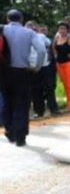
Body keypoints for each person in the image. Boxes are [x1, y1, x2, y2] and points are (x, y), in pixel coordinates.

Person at [2, 9, 46, 146]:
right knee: (21, 104)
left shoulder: (1, 30)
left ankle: (9, 132)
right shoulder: (29, 32)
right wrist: (37, 66)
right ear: (21, 19)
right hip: (22, 72)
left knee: (6, 102)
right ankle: (20, 137)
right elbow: (42, 50)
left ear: (7, 19)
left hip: (4, 72)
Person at [25, 21, 51, 118]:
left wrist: (49, 57)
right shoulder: (23, 38)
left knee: (39, 89)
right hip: (27, 67)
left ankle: (40, 111)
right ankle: (33, 111)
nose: (31, 29)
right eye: (28, 27)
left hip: (39, 66)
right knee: (31, 90)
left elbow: (49, 45)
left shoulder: (40, 36)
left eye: (32, 27)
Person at [39, 24, 60, 116]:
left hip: (50, 67)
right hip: (39, 67)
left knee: (51, 87)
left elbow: (55, 53)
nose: (43, 32)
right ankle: (40, 110)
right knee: (39, 89)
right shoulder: (36, 40)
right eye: (42, 30)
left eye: (45, 30)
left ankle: (53, 109)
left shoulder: (51, 40)